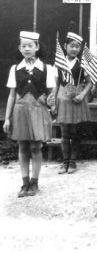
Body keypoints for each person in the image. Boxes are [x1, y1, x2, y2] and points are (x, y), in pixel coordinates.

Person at [3, 31, 56, 197]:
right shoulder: (15, 69)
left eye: (30, 45)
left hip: (38, 111)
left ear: (37, 47)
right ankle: (24, 183)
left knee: (35, 146)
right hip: (20, 111)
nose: (27, 48)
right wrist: (7, 118)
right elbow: (12, 95)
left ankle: (34, 182)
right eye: (23, 46)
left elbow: (51, 92)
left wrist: (51, 101)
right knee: (23, 146)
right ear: (19, 48)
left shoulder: (47, 68)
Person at [55, 32, 92, 174]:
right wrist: (53, 100)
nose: (74, 49)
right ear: (65, 46)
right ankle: (64, 161)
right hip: (63, 99)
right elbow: (56, 83)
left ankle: (73, 161)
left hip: (77, 98)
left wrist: (82, 95)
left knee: (75, 131)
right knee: (64, 132)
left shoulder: (82, 63)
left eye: (77, 47)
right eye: (72, 46)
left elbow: (89, 83)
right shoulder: (59, 62)